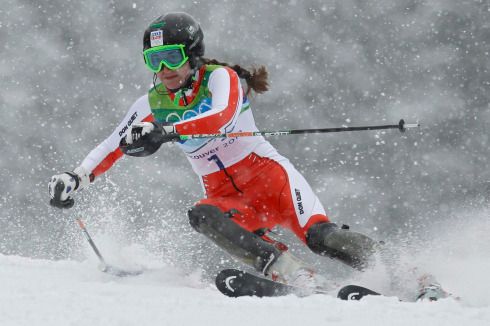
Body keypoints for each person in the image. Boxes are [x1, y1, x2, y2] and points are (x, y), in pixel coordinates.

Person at [48, 12, 447, 299]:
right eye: (155, 61)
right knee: (202, 214)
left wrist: (167, 131)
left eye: (172, 57)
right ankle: (293, 275)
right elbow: (112, 144)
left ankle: (414, 275)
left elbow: (219, 117)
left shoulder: (221, 78)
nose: (165, 69)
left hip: (271, 180)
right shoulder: (150, 102)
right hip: (229, 196)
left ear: (192, 55)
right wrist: (76, 176)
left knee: (322, 238)